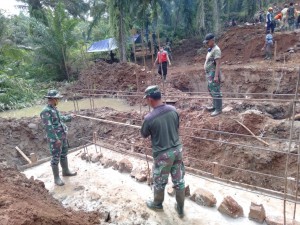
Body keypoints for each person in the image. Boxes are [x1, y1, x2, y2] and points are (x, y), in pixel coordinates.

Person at [141, 85, 185, 218]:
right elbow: (177, 126)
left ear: (150, 99)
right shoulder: (173, 110)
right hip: (177, 150)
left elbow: (144, 134)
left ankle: (157, 204)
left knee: (160, 181)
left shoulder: (149, 118)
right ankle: (181, 208)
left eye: (146, 99)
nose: (146, 102)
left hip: (163, 154)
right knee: (179, 180)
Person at [40, 90, 77, 186]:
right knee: (55, 157)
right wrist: (56, 139)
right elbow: (49, 128)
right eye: (57, 99)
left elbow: (62, 119)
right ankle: (56, 178)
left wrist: (70, 116)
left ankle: (66, 171)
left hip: (62, 136)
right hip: (55, 139)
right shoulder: (45, 112)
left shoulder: (54, 109)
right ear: (52, 99)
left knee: (64, 154)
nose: (58, 100)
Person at [203, 33, 223, 117]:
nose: (206, 43)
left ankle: (218, 109)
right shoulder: (211, 49)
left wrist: (216, 76)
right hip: (209, 73)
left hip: (213, 73)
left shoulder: (216, 50)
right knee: (212, 90)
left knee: (216, 91)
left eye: (207, 42)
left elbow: (218, 64)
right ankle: (215, 106)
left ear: (212, 41)